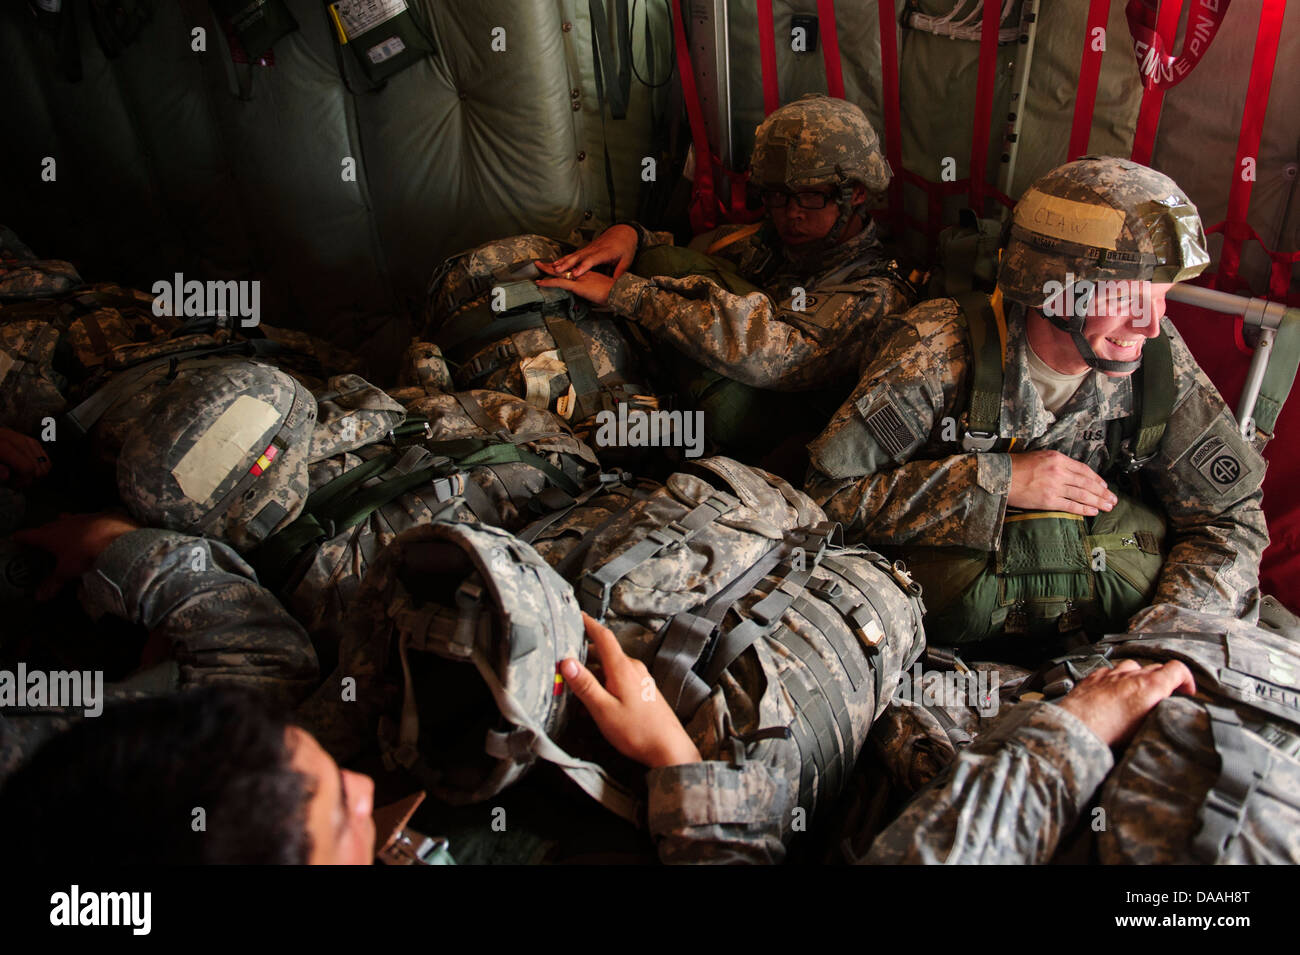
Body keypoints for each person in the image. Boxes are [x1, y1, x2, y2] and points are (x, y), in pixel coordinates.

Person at [804, 157, 1268, 651]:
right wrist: (997, 481)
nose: (1151, 326)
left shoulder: (1156, 360)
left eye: (1163, 299)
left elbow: (1231, 516)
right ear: (1056, 290)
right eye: (1129, 300)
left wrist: (1165, 642)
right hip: (936, 639)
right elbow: (826, 499)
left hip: (1100, 639)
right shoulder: (938, 349)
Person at [533, 94, 914, 397]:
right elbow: (692, 253)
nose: (791, 214)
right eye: (778, 196)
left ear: (857, 193)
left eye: (812, 196)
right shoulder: (768, 240)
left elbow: (775, 356)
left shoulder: (874, 291)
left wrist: (630, 295)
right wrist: (631, 235)